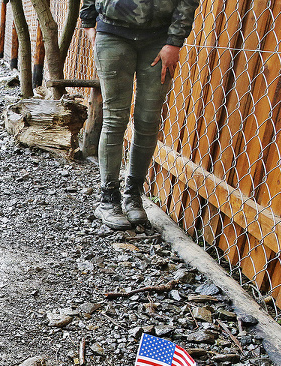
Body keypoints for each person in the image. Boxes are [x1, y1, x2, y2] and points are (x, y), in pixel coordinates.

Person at [80, 0, 200, 230]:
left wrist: (174, 42)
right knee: (115, 118)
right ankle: (109, 199)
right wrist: (88, 23)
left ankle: (132, 195)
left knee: (148, 119)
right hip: (113, 33)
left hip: (158, 39)